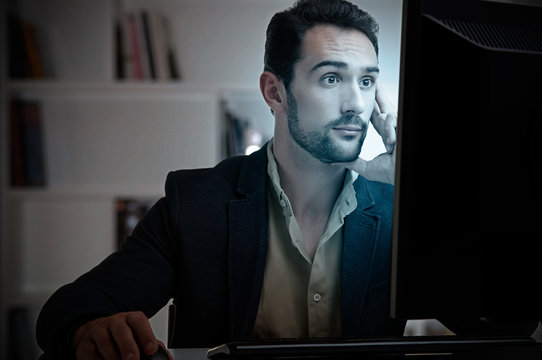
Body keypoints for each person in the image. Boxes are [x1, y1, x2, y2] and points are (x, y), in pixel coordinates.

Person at [35, 1, 405, 359]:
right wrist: (90, 329)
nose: (356, 102)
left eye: (367, 80)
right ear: (275, 92)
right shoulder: (196, 204)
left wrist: (415, 184)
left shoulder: (399, 204)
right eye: (331, 78)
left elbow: (463, 304)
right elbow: (73, 308)